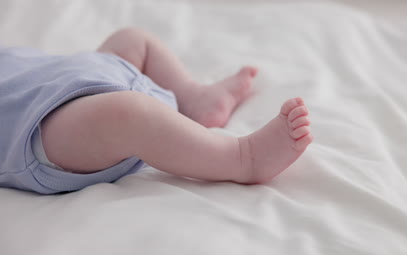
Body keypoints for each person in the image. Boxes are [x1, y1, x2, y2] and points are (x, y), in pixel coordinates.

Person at [0, 28, 313, 194]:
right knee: (127, 115)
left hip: (82, 77)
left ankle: (193, 99)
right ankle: (242, 157)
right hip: (40, 131)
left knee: (133, 39)